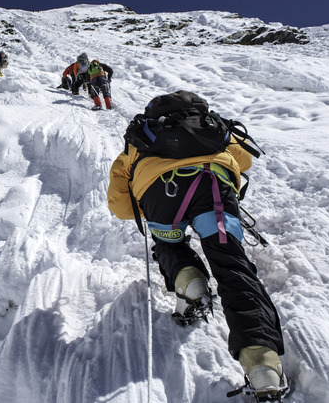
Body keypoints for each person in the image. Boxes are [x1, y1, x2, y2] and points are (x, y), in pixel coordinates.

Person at [107, 91, 286, 399]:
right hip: (214, 187)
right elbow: (243, 161)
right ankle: (262, 367)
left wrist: (146, 200)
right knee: (231, 264)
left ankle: (190, 285)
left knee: (170, 246)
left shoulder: (140, 137)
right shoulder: (211, 126)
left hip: (161, 193)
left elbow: (122, 207)